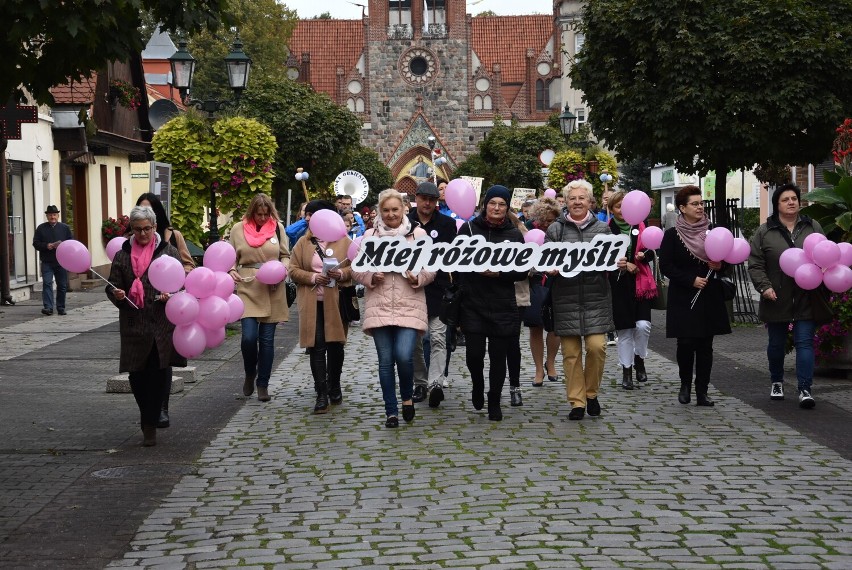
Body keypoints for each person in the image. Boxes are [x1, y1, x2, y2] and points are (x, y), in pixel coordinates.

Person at [353, 189, 434, 427]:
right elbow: (357, 269)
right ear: (380, 211)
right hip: (379, 305)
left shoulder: (418, 235)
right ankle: (391, 411)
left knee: (403, 355)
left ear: (404, 209)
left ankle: (407, 397)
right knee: (385, 361)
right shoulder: (369, 237)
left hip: (409, 304)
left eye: (395, 210)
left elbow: (432, 267)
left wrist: (417, 278)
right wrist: (370, 276)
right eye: (386, 210)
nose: (390, 214)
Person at [106, 206, 186, 447]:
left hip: (161, 322)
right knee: (137, 376)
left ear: (154, 228)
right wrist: (117, 294)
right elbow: (111, 285)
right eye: (137, 229)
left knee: (159, 373)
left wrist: (170, 294)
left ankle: (149, 424)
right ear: (131, 230)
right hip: (134, 323)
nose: (142, 234)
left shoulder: (168, 252)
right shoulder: (122, 255)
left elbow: (181, 284)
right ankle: (147, 414)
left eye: (147, 229)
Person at [748, 183, 832, 409]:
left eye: (794, 198)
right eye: (785, 199)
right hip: (776, 296)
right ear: (777, 204)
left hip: (807, 296)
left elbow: (826, 254)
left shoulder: (812, 226)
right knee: (776, 344)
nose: (791, 202)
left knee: (804, 342)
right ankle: (776, 381)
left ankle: (805, 388)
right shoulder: (765, 231)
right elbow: (755, 264)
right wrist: (764, 287)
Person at [546, 179, 614, 421]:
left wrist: (620, 264)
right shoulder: (556, 230)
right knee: (571, 353)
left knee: (597, 347)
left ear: (590, 201)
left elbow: (612, 261)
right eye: (572, 198)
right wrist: (549, 268)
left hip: (596, 298)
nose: (577, 202)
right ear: (565, 201)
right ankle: (577, 401)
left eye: (581, 198)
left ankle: (591, 393)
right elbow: (543, 260)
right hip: (566, 299)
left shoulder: (603, 229)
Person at [458, 185, 526, 421]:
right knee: (474, 355)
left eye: (502, 205)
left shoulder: (515, 234)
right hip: (473, 302)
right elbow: (456, 263)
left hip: (502, 303)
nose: (496, 208)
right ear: (485, 205)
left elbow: (522, 270)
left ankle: (494, 398)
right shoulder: (468, 230)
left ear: (507, 208)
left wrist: (499, 273)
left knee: (499, 356)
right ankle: (477, 383)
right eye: (492, 203)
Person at [660, 185, 731, 407]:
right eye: (694, 204)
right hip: (683, 296)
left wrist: (719, 265)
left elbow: (727, 262)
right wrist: (690, 280)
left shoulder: (714, 232)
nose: (700, 207)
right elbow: (666, 266)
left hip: (709, 296)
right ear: (682, 208)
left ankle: (703, 390)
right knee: (686, 343)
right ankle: (684, 384)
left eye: (701, 203)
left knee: (705, 345)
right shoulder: (672, 235)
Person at [135, 193, 195, 429]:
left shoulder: (172, 237)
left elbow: (188, 264)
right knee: (142, 361)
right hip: (140, 309)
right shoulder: (132, 238)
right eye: (140, 209)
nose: (144, 213)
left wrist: (177, 280)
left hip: (166, 306)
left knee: (163, 358)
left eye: (148, 209)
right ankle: (147, 408)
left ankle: (162, 408)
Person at [289, 200, 352, 414]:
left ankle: (334, 384)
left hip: (335, 303)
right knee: (316, 346)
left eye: (312, 214)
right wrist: (313, 276)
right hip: (312, 301)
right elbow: (293, 270)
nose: (307, 218)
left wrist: (342, 274)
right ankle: (321, 393)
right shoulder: (303, 243)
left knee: (335, 346)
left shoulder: (343, 240)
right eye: (307, 214)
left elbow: (356, 266)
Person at [228, 193, 290, 402]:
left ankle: (263, 384)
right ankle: (249, 371)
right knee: (248, 338)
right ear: (252, 212)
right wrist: (230, 270)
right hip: (247, 286)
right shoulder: (238, 229)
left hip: (272, 288)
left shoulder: (277, 228)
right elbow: (230, 257)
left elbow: (285, 255)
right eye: (259, 214)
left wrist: (283, 269)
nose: (263, 218)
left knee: (267, 340)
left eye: (266, 214)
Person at [408, 181, 457, 407]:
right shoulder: (405, 221)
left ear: (437, 202)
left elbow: (452, 258)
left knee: (438, 338)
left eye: (432, 199)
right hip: (410, 288)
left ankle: (435, 382)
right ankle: (420, 382)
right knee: (417, 340)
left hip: (438, 289)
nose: (427, 203)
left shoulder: (447, 224)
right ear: (416, 198)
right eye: (423, 198)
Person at [607, 191, 657, 390]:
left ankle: (640, 359)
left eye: (624, 206)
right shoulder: (607, 229)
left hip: (640, 282)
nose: (622, 210)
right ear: (611, 209)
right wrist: (624, 264)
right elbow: (602, 256)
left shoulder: (641, 226)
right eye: (617, 207)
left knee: (643, 325)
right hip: (618, 284)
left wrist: (644, 255)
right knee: (625, 330)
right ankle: (626, 370)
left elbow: (654, 250)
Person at [524, 197, 561, 386]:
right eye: (544, 220)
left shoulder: (562, 231)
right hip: (535, 281)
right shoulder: (529, 230)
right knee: (535, 325)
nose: (547, 224)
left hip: (558, 280)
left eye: (551, 220)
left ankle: (551, 363)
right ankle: (539, 369)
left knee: (555, 326)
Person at [32, 205, 73, 316]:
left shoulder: (64, 228)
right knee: (47, 283)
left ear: (58, 216)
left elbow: (71, 243)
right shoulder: (41, 228)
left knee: (62, 285)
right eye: (50, 215)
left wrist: (62, 246)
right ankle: (48, 307)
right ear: (47, 216)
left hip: (61, 261)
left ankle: (60, 307)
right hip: (47, 261)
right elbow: (35, 243)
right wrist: (46, 246)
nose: (52, 217)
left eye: (54, 214)